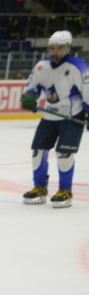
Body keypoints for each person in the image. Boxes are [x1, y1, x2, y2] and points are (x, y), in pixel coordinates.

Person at [20, 30, 88, 209]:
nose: (55, 51)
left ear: (67, 48)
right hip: (49, 116)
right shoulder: (42, 66)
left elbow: (87, 92)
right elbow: (31, 86)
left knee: (64, 154)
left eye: (59, 47)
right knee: (37, 151)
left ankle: (65, 191)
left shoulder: (78, 66)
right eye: (53, 47)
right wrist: (29, 96)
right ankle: (39, 187)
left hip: (72, 117)